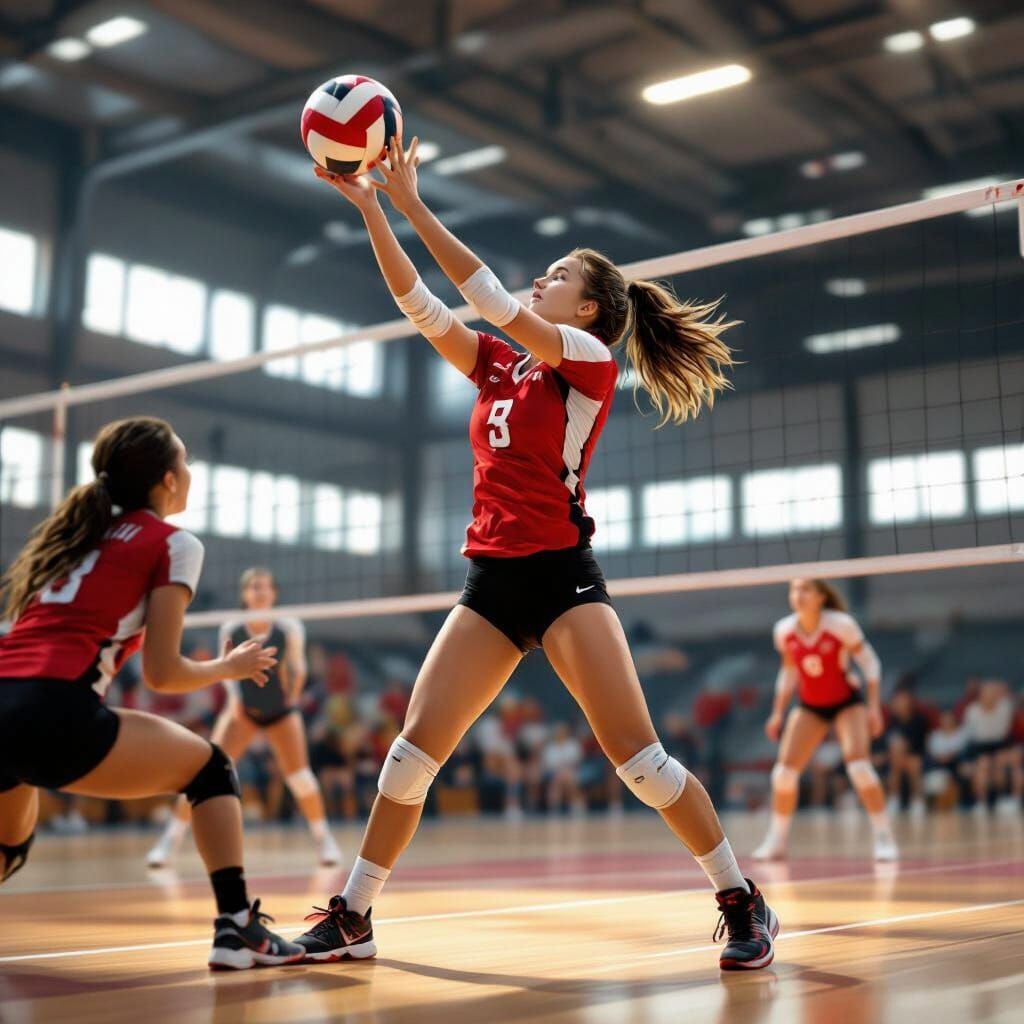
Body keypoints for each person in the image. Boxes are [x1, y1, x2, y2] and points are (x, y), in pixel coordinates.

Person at [293, 137, 778, 972]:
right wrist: (373, 209)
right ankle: (354, 915)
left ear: (587, 309)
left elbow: (483, 295)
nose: (540, 281)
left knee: (641, 764)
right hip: (490, 581)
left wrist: (412, 202)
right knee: (408, 760)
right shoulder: (499, 366)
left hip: (562, 579)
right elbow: (420, 304)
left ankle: (740, 897)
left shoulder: (587, 363)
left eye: (558, 276)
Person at [0, 417, 301, 970]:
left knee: (8, 847)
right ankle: (238, 929)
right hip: (52, 710)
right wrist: (227, 668)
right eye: (184, 460)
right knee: (212, 769)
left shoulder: (71, 540)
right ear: (167, 479)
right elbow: (162, 673)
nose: (189, 471)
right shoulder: (172, 543)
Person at [146, 567, 341, 867]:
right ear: (245, 594)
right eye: (254, 587)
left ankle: (323, 839)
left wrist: (292, 698)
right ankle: (169, 841)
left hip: (281, 711)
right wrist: (237, 702)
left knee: (300, 778)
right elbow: (226, 669)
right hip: (243, 712)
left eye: (265, 587)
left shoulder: (289, 626)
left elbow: (298, 667)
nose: (260, 592)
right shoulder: (232, 627)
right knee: (206, 772)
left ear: (274, 593)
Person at [753, 578, 897, 862]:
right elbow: (789, 672)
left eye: (806, 589)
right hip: (811, 706)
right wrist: (777, 712)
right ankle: (777, 840)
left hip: (847, 703)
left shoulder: (841, 625)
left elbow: (871, 663)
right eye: (794, 589)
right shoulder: (784, 630)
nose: (798, 594)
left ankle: (884, 836)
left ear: (821, 596)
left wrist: (873, 707)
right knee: (783, 773)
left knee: (858, 766)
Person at [963, 679, 1022, 815]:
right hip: (980, 745)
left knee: (1007, 763)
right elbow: (974, 736)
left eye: (993, 693)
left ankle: (1006, 798)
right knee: (983, 765)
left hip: (1000, 743)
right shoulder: (972, 710)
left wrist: (999, 691)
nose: (991, 696)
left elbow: (1003, 732)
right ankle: (981, 802)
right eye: (987, 693)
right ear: (981, 695)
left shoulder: (1005, 706)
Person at [886, 688, 930, 817]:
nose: (899, 703)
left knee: (913, 764)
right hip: (898, 758)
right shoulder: (893, 721)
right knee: (895, 763)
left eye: (902, 701)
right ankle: (894, 798)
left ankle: (917, 800)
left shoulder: (919, 720)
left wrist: (902, 748)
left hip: (917, 756)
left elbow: (919, 745)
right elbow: (889, 743)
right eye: (897, 701)